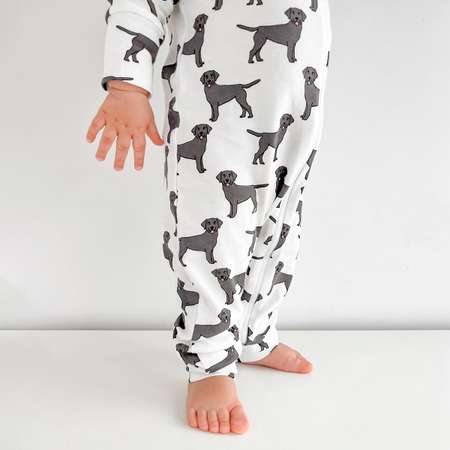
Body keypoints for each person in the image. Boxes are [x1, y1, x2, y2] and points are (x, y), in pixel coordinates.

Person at [86, 0, 332, 435]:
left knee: (281, 226)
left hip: (298, 111)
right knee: (214, 233)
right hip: (214, 121)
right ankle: (210, 362)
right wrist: (127, 85)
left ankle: (254, 333)